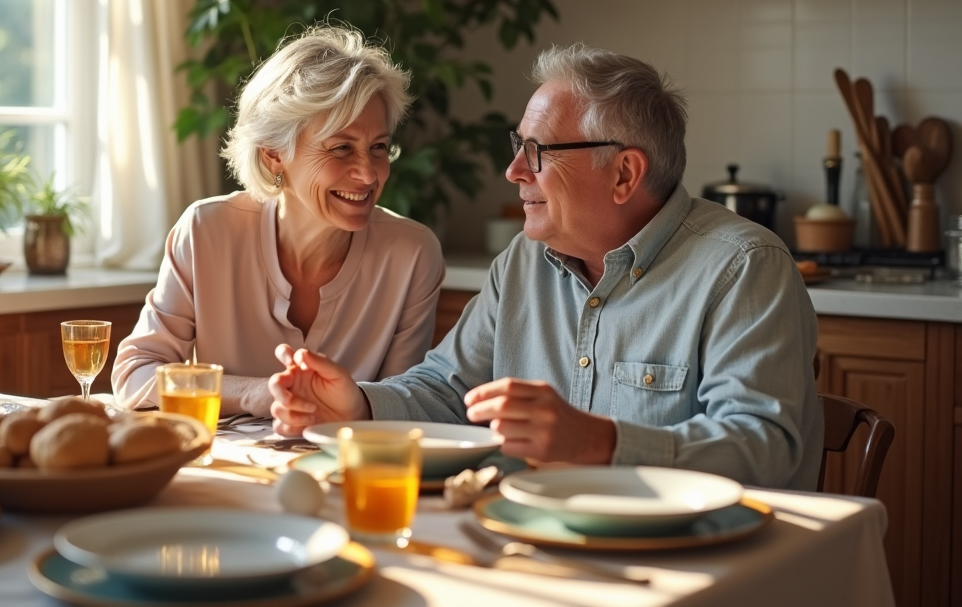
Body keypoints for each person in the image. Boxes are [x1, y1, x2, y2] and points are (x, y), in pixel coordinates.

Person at [269, 42, 823, 490]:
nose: (513, 171)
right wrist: (359, 404)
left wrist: (598, 443)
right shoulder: (522, 262)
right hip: (549, 543)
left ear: (624, 174)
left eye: (538, 152)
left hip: (711, 565)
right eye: (518, 146)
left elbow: (763, 449)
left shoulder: (743, 269)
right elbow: (447, 389)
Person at [112, 25, 445, 417]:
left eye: (378, 148)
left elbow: (399, 405)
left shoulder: (412, 254)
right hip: (225, 471)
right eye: (341, 148)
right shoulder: (206, 231)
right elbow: (136, 374)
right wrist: (253, 394)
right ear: (274, 155)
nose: (369, 175)